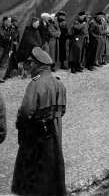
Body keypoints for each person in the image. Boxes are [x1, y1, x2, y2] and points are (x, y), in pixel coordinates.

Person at [12, 47, 67, 196]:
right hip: (54, 134)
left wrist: (21, 127)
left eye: (31, 64)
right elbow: (62, 111)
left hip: (35, 136)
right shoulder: (59, 84)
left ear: (37, 65)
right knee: (52, 168)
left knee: (32, 171)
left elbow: (25, 113)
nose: (30, 67)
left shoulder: (35, 84)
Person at [0, 16, 14, 83]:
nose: (10, 23)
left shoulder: (10, 30)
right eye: (9, 22)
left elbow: (11, 40)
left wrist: (11, 49)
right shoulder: (1, 29)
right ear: (5, 22)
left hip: (7, 49)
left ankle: (0, 77)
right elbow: (3, 37)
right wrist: (9, 38)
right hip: (1, 47)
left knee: (4, 63)